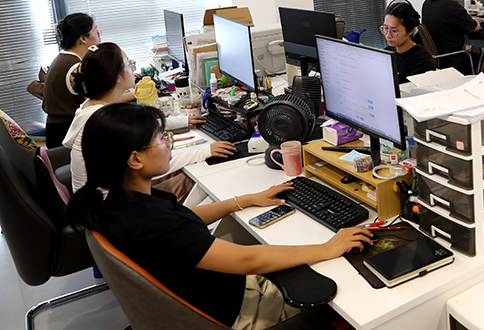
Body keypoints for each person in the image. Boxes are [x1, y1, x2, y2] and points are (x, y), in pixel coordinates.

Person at [67, 102, 372, 329]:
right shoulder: (148, 222)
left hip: (214, 293)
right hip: (239, 312)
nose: (168, 143)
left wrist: (244, 200)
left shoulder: (118, 202)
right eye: (161, 138)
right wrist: (327, 247)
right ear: (135, 159)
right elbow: (246, 260)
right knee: (348, 292)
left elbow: (184, 218)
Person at [64, 43, 235, 199]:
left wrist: (184, 121)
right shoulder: (104, 120)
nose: (133, 69)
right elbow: (151, 162)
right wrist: (205, 151)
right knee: (197, 175)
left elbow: (138, 127)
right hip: (111, 206)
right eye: (129, 64)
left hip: (103, 195)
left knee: (188, 169)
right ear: (116, 77)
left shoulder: (91, 106)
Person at [42, 13, 101, 147]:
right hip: (66, 136)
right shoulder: (76, 68)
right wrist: (136, 94)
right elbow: (100, 100)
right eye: (96, 31)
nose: (99, 35)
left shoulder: (63, 58)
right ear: (83, 38)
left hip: (58, 131)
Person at [421, 0, 480, 74]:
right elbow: (475, 28)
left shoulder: (427, 4)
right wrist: (477, 21)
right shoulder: (452, 6)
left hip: (435, 59)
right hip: (453, 59)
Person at [382, 1, 435, 83]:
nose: (388, 35)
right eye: (385, 28)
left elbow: (409, 89)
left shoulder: (422, 59)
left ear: (411, 30)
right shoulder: (387, 52)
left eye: (394, 31)